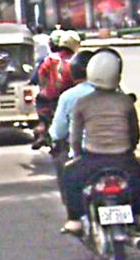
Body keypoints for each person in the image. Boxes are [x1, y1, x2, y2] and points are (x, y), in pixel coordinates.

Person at [61, 49, 140, 233]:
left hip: (93, 159)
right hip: (123, 159)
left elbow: (75, 138)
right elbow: (134, 133)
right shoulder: (125, 101)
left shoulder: (83, 103)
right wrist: (130, 149)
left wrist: (77, 155)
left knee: (69, 174)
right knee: (138, 175)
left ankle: (75, 220)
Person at [49, 50, 94, 202]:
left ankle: (73, 208)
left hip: (81, 154)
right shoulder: (115, 93)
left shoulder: (69, 97)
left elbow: (58, 132)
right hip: (117, 153)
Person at [32, 30, 80, 150]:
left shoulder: (50, 59)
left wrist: (45, 88)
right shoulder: (75, 61)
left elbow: (41, 75)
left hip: (49, 98)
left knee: (40, 102)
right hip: (69, 97)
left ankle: (43, 128)